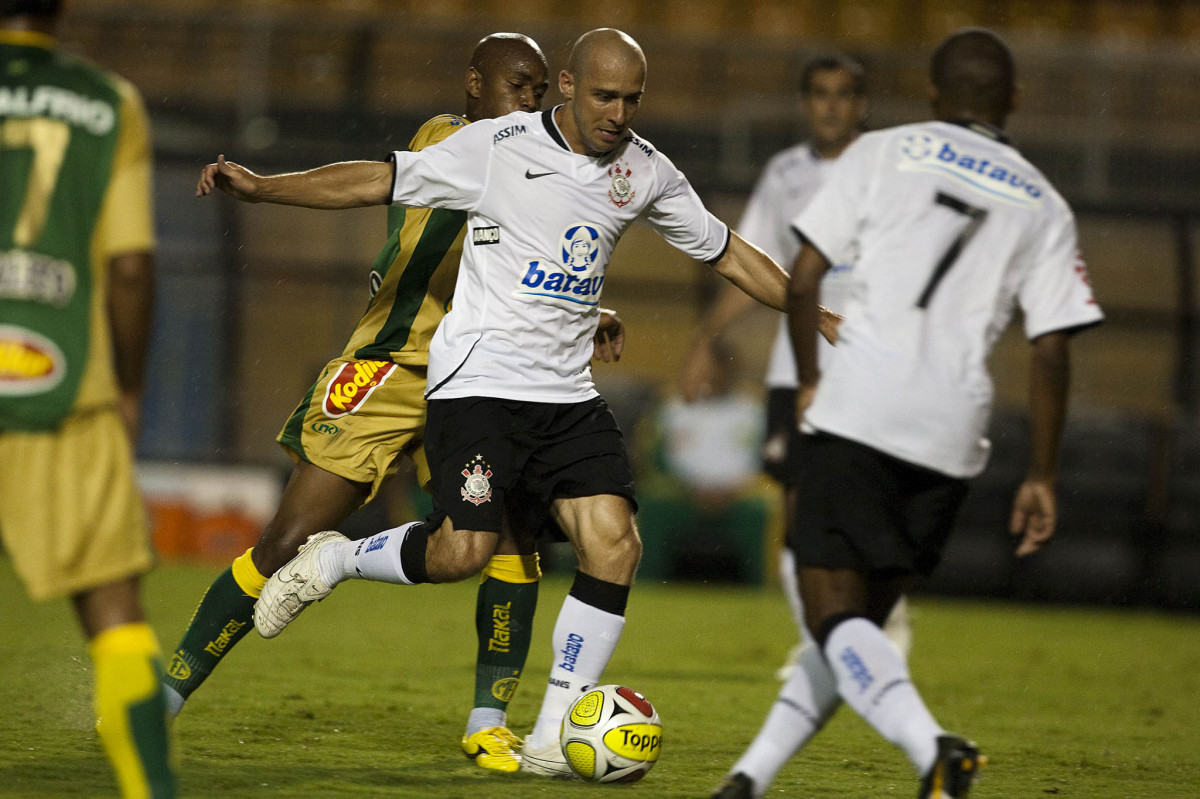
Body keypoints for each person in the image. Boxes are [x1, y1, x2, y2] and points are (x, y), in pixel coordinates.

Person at [201, 27, 836, 779]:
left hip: (566, 396)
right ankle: (336, 561)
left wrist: (813, 311)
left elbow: (727, 251)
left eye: (632, 99)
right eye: (605, 95)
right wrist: (266, 186)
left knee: (616, 544)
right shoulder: (496, 145)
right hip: (478, 386)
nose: (618, 113)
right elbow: (376, 178)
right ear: (567, 86)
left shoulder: (645, 169)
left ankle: (548, 736)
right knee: (461, 552)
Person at [163, 33, 613, 774]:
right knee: (284, 541)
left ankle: (486, 723)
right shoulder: (458, 142)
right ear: (476, 86)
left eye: (540, 90)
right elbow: (371, 181)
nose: (533, 101)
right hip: (394, 366)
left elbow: (536, 258)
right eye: (520, 86)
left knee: (510, 539)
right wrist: (265, 184)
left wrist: (590, 310)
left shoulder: (537, 161)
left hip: (483, 377)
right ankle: (168, 694)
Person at [713, 28, 1103, 799]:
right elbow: (1052, 350)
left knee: (829, 613)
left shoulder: (879, 151)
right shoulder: (1046, 202)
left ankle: (936, 749)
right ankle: (746, 781)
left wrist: (814, 379)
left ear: (931, 95)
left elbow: (802, 280)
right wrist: (1044, 475)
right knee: (855, 633)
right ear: (1015, 100)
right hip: (953, 435)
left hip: (862, 408)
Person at [682, 54, 914, 678]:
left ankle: (884, 625)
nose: (832, 105)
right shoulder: (784, 174)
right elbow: (752, 266)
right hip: (797, 367)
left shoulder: (892, 174)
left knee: (866, 508)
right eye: (820, 93)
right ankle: (823, 642)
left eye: (844, 93)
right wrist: (706, 339)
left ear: (862, 103)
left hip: (868, 366)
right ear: (806, 102)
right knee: (798, 510)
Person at [0, 2, 175, 797]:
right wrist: (130, 389)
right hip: (62, 386)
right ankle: (149, 790)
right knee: (113, 610)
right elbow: (131, 267)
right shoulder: (108, 102)